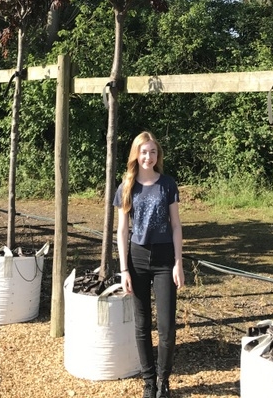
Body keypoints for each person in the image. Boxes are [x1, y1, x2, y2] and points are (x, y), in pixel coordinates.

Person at [114, 131, 184, 398]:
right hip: (137, 258)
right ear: (136, 154)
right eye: (143, 152)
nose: (148, 156)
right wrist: (123, 270)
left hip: (165, 259)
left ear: (158, 155)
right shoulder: (126, 187)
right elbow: (121, 231)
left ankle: (163, 381)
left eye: (152, 152)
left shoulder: (168, 184)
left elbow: (176, 225)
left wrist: (178, 262)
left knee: (166, 326)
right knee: (142, 324)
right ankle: (148, 381)